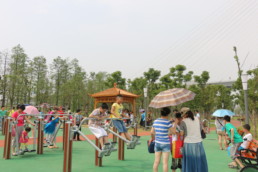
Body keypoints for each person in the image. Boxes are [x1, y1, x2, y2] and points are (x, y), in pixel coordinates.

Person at [178, 107, 208, 172]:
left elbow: (181, 134)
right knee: (199, 160)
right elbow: (200, 130)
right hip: (198, 143)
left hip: (189, 143)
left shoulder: (183, 122)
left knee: (190, 161)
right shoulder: (197, 119)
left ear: (186, 114)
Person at [151, 107, 173, 172]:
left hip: (157, 142)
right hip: (166, 143)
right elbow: (173, 132)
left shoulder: (155, 121)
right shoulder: (168, 122)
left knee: (156, 161)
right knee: (165, 163)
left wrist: (157, 134)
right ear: (168, 114)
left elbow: (152, 132)